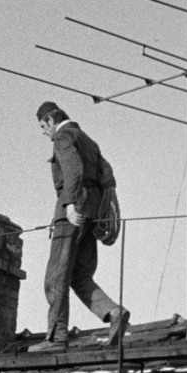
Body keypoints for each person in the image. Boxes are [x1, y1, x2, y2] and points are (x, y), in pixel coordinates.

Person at [27, 102, 129, 354]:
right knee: (79, 275)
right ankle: (113, 312)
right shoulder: (88, 140)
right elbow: (106, 175)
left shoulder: (63, 137)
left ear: (51, 120)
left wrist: (70, 204)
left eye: (43, 126)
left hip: (72, 211)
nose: (44, 132)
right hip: (93, 210)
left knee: (56, 276)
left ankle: (56, 338)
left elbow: (73, 169)